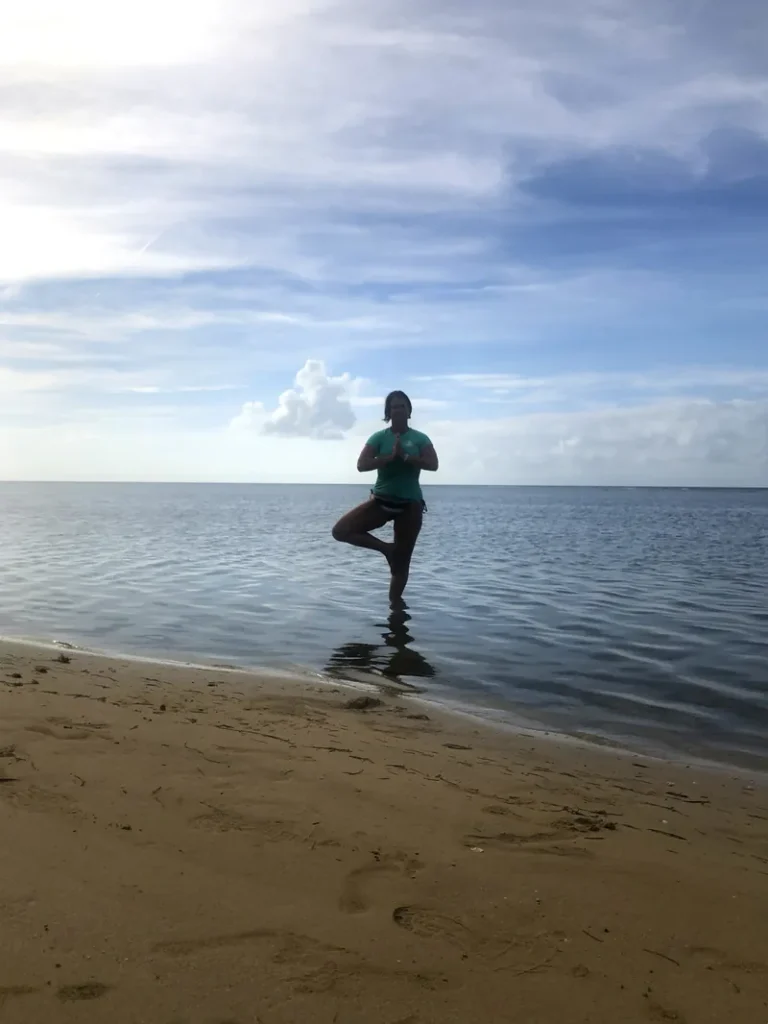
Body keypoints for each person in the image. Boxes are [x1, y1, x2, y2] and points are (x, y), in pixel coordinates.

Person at [332, 390, 439, 607]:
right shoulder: (379, 438)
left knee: (402, 563)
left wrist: (407, 457)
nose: (397, 410)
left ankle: (395, 610)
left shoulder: (420, 438)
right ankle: (386, 550)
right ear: (387, 412)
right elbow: (362, 465)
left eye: (402, 407)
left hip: (410, 505)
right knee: (341, 531)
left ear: (409, 411)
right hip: (381, 501)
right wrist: (388, 458)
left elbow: (433, 464)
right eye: (393, 407)